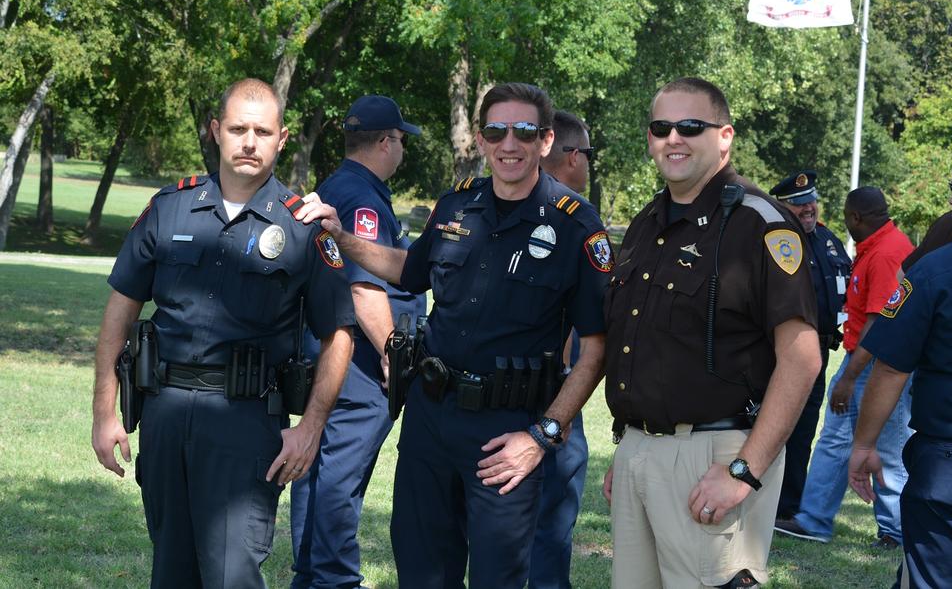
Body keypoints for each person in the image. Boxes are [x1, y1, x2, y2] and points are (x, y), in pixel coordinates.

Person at [318, 82, 612, 588]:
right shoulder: (455, 206)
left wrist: (544, 434)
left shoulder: (576, 226)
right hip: (430, 417)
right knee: (421, 568)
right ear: (481, 140)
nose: (509, 144)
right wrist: (343, 238)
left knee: (498, 577)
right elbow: (409, 269)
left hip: (508, 431)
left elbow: (597, 349)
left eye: (524, 132)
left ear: (545, 142)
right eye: (497, 131)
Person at [90, 78, 356, 588]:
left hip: (247, 422)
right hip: (165, 413)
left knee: (233, 574)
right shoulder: (169, 209)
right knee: (171, 571)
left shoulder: (305, 226)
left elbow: (338, 335)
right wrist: (104, 412)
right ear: (216, 131)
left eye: (262, 130)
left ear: (282, 138)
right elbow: (119, 313)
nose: (249, 141)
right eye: (238, 128)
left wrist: (311, 428)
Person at [602, 77, 821, 588]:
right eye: (662, 127)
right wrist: (635, 450)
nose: (673, 138)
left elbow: (803, 359)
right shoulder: (646, 223)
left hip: (716, 458)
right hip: (640, 450)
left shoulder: (759, 224)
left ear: (725, 137)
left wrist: (744, 471)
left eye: (690, 126)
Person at [290, 95, 427, 588]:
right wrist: (393, 352)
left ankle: (311, 576)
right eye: (401, 140)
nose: (402, 150)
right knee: (339, 480)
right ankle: (333, 578)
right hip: (362, 369)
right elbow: (363, 285)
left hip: (337, 362)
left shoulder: (338, 185)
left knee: (318, 470)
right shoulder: (362, 198)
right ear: (387, 141)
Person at [849, 145, 952, 588]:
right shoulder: (935, 269)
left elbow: (891, 368)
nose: (950, 200)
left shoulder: (934, 271)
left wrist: (862, 447)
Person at [775, 187, 913, 549]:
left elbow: (879, 323)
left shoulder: (884, 253)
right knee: (835, 440)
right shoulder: (881, 246)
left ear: (855, 218)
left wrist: (850, 377)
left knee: (887, 446)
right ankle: (814, 519)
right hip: (863, 359)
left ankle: (896, 531)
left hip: (876, 363)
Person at [530, 109, 595, 589]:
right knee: (551, 521)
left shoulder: (508, 205)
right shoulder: (576, 219)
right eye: (589, 155)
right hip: (556, 395)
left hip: (497, 396)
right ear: (573, 156)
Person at [769, 170, 852, 520]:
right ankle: (766, 502)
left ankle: (789, 505)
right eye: (798, 204)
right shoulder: (774, 239)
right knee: (773, 426)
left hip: (818, 352)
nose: (808, 209)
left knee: (803, 430)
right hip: (778, 353)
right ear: (782, 206)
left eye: (811, 202)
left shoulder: (827, 239)